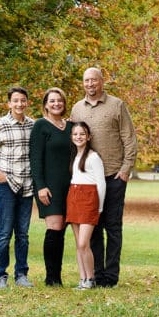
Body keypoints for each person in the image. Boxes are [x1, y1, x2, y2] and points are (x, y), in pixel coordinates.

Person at [69, 67, 137, 287]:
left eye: (94, 80)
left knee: (113, 227)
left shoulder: (116, 105)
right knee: (93, 228)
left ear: (102, 82)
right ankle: (95, 274)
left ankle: (111, 276)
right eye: (86, 81)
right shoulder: (77, 108)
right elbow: (73, 140)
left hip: (113, 175)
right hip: (88, 181)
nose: (90, 84)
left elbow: (129, 138)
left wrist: (126, 169)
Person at [0, 86, 35, 290]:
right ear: (9, 103)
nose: (19, 104)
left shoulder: (33, 125)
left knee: (23, 234)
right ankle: (0, 275)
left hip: (27, 187)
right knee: (4, 233)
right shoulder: (1, 125)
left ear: (27, 102)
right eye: (15, 101)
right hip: (6, 186)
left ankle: (22, 274)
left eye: (23, 100)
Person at [29, 87, 73, 286]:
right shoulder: (40, 126)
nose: (56, 104)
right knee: (54, 228)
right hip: (49, 187)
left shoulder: (71, 126)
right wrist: (41, 186)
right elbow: (35, 159)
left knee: (62, 229)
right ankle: (50, 277)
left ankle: (58, 276)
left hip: (70, 186)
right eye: (52, 101)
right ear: (46, 105)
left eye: (59, 100)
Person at [66, 121, 106, 290]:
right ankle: (83, 279)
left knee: (84, 243)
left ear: (88, 137)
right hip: (74, 197)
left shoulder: (93, 157)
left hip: (89, 199)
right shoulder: (75, 156)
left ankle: (91, 278)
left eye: (82, 134)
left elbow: (101, 183)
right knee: (78, 244)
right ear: (71, 137)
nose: (78, 137)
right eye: (75, 134)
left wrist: (100, 206)